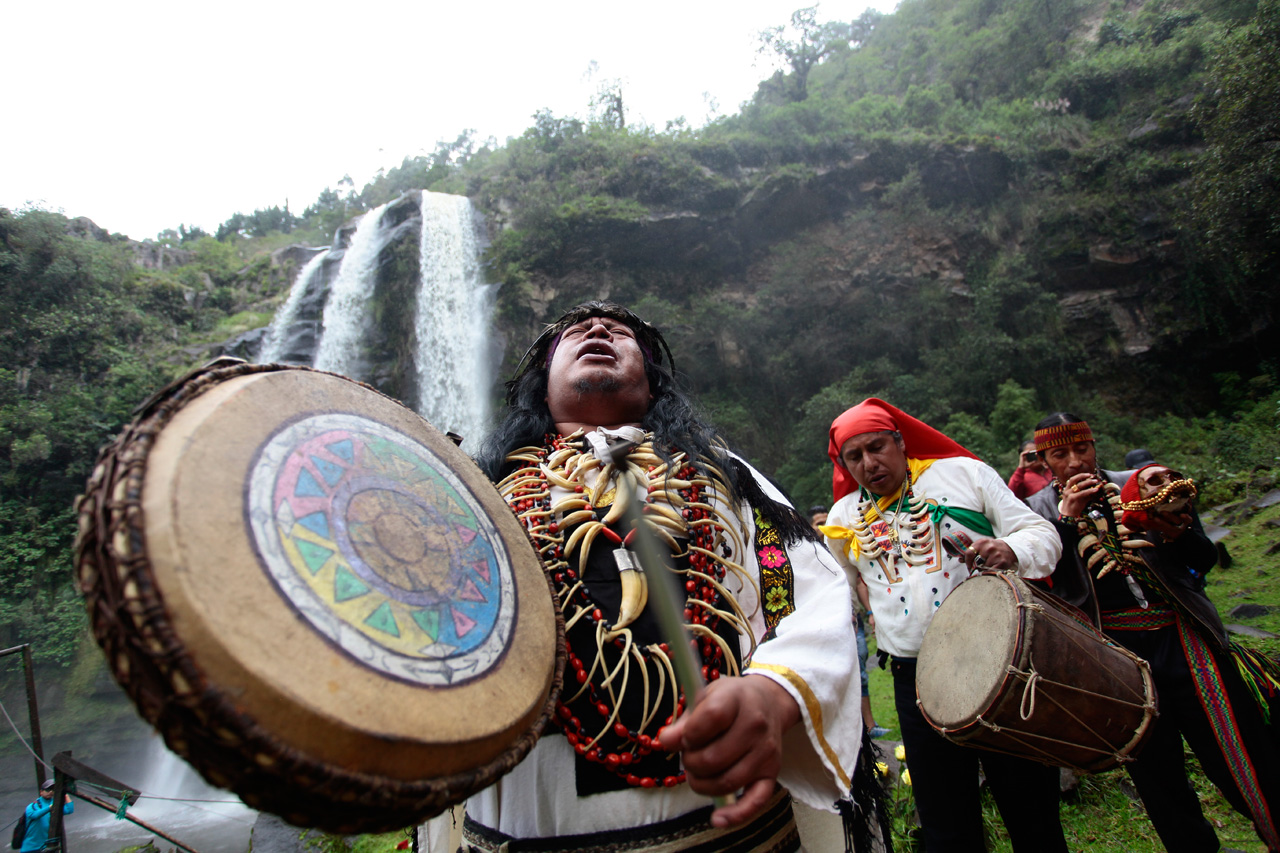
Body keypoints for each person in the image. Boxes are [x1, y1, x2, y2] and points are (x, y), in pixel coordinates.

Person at [463, 302, 875, 853]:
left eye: (621, 332)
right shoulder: (480, 491)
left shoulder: (728, 476)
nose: (597, 328)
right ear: (543, 382)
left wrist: (774, 693)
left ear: (652, 381)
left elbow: (809, 592)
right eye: (574, 332)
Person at [819, 398, 1067, 853]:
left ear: (900, 442)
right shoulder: (844, 520)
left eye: (877, 447)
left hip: (996, 659)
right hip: (914, 678)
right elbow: (834, 594)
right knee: (945, 821)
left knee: (1030, 807)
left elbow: (1043, 535)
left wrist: (1011, 550)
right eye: (854, 456)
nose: (869, 463)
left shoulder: (963, 476)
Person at [1034, 413, 1280, 852]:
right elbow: (1048, 588)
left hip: (1185, 638)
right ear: (1043, 461)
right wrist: (1065, 523)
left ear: (1095, 446)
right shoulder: (1035, 511)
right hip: (1117, 660)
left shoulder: (1148, 483)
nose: (1074, 461)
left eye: (1082, 449)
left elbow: (1202, 562)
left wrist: (1176, 531)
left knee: (1244, 753)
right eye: (1060, 454)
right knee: (1157, 777)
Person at [809, 505, 890, 741]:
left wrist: (870, 612)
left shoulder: (844, 547)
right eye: (819, 523)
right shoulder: (811, 555)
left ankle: (869, 726)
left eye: (827, 521)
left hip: (855, 620)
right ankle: (848, 732)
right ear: (812, 527)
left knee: (860, 669)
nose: (824, 527)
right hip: (829, 623)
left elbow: (860, 582)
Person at [19, 779, 73, 853]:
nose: (50, 792)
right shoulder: (32, 806)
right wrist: (49, 808)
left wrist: (65, 794)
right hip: (30, 848)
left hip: (46, 847)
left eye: (53, 789)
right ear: (41, 792)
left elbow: (69, 810)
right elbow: (34, 815)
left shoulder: (55, 804)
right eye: (47, 790)